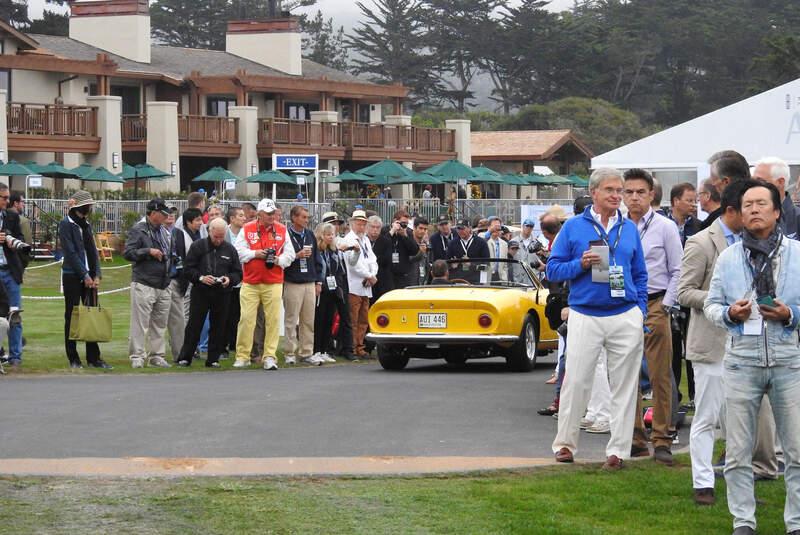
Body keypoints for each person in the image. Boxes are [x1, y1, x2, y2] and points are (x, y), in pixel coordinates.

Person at [704, 180, 800, 535]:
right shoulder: (728, 257)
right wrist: (729, 313)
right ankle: (743, 522)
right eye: (748, 205)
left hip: (789, 359)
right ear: (740, 214)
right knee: (738, 451)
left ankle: (796, 523)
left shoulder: (797, 254)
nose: (754, 210)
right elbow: (711, 305)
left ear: (777, 210)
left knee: (796, 450)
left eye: (762, 203)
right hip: (741, 361)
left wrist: (791, 314)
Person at [547, 167, 647, 471]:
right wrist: (580, 263)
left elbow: (641, 274)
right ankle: (564, 444)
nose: (618, 196)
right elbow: (552, 270)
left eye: (620, 190)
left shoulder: (628, 228)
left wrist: (639, 310)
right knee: (576, 381)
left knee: (625, 385)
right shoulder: (574, 227)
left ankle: (618, 451)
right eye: (611, 190)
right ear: (594, 193)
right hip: (585, 314)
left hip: (624, 314)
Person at [678, 181, 746, 506]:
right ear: (731, 210)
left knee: (739, 421)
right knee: (706, 416)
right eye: (749, 208)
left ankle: (739, 487)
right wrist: (723, 302)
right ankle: (703, 482)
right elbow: (684, 292)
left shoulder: (753, 243)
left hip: (747, 344)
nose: (757, 213)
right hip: (710, 343)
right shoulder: (701, 242)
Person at [623, 168, 683, 466]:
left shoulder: (665, 227)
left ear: (651, 195)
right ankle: (634, 438)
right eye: (629, 192)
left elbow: (678, 270)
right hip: (622, 305)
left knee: (660, 374)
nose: (634, 197)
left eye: (640, 192)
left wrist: (668, 305)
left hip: (656, 303)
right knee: (627, 374)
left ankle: (662, 439)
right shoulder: (616, 227)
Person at [234, 199, 294, 370]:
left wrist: (278, 260)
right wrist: (255, 253)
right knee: (246, 319)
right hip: (250, 281)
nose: (272, 216)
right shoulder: (247, 228)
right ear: (259, 214)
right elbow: (238, 251)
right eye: (268, 213)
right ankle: (243, 355)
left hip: (273, 281)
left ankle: (269, 356)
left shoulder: (282, 230)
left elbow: (290, 255)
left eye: (273, 212)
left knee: (273, 320)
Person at [176, 218, 242, 368]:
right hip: (201, 291)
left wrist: (228, 279)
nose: (218, 240)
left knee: (219, 326)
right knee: (194, 324)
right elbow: (187, 269)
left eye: (221, 237)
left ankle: (213, 359)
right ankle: (185, 357)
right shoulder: (198, 246)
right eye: (215, 237)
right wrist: (201, 278)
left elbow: (238, 273)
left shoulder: (230, 249)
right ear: (209, 231)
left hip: (222, 293)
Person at [58, 190, 110, 369]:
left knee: (92, 315)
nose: (92, 207)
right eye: (90, 204)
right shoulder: (66, 224)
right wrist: (84, 275)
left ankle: (94, 358)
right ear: (82, 205)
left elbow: (93, 251)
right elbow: (70, 252)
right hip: (72, 276)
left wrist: (96, 274)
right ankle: (73, 357)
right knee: (71, 316)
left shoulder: (86, 224)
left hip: (89, 276)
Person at [123, 198, 174, 368]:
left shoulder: (165, 232)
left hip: (164, 282)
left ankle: (157, 356)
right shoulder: (139, 230)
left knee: (160, 324)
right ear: (153, 214)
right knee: (140, 323)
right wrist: (148, 251)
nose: (167, 217)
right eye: (163, 214)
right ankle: (137, 356)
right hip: (144, 281)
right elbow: (128, 253)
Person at [283, 204, 324, 366]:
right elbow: (282, 259)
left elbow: (317, 259)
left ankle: (306, 352)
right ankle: (289, 352)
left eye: (307, 217)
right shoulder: (286, 235)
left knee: (308, 320)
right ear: (294, 218)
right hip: (293, 282)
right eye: (303, 217)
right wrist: (296, 255)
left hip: (310, 282)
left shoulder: (309, 235)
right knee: (291, 319)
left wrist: (318, 281)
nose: (307, 220)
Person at [342, 210, 378, 358]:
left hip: (366, 285)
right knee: (353, 319)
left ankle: (360, 346)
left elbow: (372, 259)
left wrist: (372, 274)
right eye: (359, 224)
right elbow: (353, 264)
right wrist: (369, 275)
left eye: (363, 224)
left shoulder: (365, 240)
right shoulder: (349, 239)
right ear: (352, 224)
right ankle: (353, 347)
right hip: (354, 284)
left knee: (363, 319)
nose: (361, 227)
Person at [313, 222, 348, 362]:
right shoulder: (318, 251)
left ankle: (324, 350)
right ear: (321, 235)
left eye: (332, 234)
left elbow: (340, 270)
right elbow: (317, 269)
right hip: (321, 289)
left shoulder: (334, 251)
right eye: (327, 234)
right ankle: (316, 350)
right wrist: (318, 283)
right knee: (319, 320)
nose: (330, 237)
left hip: (333, 289)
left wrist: (338, 284)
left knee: (329, 321)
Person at [752, 156, 800, 240]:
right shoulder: (745, 216)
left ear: (780, 182)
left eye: (760, 181)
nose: (753, 186)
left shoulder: (797, 217)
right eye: (752, 181)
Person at [701, 151, 750, 231]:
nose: (712, 184)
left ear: (726, 182)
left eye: (714, 180)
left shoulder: (714, 224)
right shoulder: (766, 210)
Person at [222, 206, 246, 359]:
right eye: (240, 215)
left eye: (244, 215)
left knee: (239, 315)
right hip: (226, 280)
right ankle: (222, 346)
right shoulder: (225, 234)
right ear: (232, 219)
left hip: (242, 281)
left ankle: (234, 344)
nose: (244, 218)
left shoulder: (246, 234)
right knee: (225, 315)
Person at [383, 209, 419, 289]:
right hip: (388, 273)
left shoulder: (408, 232)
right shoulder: (385, 230)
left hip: (402, 275)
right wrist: (392, 231)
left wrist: (405, 236)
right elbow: (382, 246)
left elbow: (414, 251)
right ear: (395, 221)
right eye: (402, 223)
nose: (404, 225)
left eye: (406, 223)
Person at [446, 218, 489, 284]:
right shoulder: (452, 243)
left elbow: (487, 267)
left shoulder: (481, 243)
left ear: (470, 228)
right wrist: (451, 265)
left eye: (462, 228)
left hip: (475, 282)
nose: (460, 231)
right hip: (457, 281)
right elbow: (446, 264)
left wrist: (471, 265)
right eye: (458, 229)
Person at [367, 215, 393, 304]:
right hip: (366, 279)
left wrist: (371, 259)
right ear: (367, 227)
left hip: (382, 280)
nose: (375, 230)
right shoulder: (363, 240)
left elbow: (387, 259)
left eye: (377, 227)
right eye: (372, 227)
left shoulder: (386, 241)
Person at [8, 191, 31, 268]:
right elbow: (27, 244)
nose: (23, 204)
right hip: (17, 262)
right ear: (16, 203)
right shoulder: (23, 221)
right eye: (22, 202)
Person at [408, 216, 430, 285]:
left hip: (422, 284)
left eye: (425, 229)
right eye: (420, 228)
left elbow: (427, 265)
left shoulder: (425, 244)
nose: (423, 231)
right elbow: (407, 260)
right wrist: (420, 253)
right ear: (414, 228)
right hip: (409, 284)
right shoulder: (408, 242)